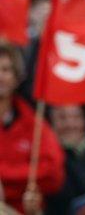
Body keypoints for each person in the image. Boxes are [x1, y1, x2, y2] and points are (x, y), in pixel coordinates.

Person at [0, 42, 64, 213]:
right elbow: (39, 176)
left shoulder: (34, 125)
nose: (0, 76)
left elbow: (53, 175)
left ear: (16, 77)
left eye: (6, 70)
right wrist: (25, 180)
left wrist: (4, 179)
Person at [45, 105, 85, 214]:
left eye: (76, 117)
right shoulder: (44, 160)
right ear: (50, 122)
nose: (70, 124)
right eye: (62, 117)